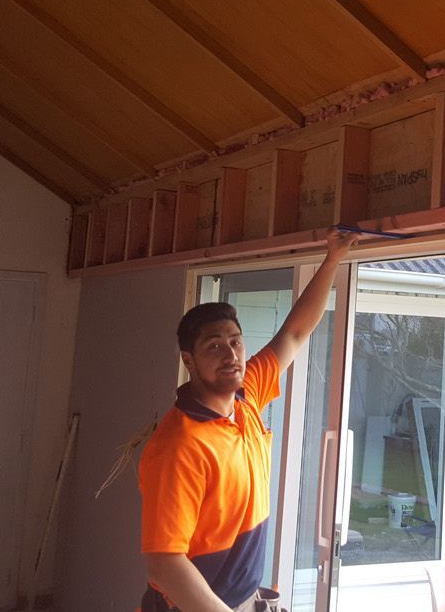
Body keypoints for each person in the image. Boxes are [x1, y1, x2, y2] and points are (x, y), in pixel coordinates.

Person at [138, 230, 356, 612]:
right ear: (189, 361)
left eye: (235, 341)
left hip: (242, 599)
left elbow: (295, 332)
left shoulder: (247, 397)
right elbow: (166, 564)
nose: (231, 355)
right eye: (214, 346)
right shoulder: (179, 445)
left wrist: (333, 258)